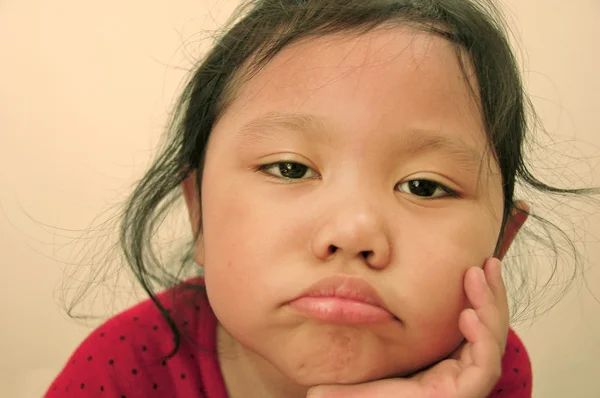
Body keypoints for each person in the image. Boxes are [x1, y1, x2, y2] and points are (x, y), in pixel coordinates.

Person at [44, 0, 596, 397]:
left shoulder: (486, 373)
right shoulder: (122, 369)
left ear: (500, 243)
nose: (352, 232)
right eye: (290, 168)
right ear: (199, 216)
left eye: (424, 186)